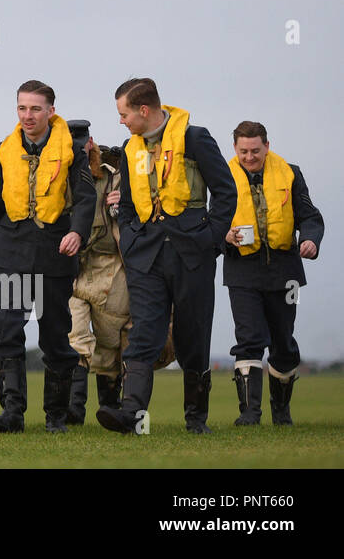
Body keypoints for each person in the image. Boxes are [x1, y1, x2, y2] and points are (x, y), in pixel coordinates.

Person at [98, 78, 237, 435]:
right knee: (144, 331)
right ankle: (131, 414)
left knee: (193, 334)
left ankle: (196, 419)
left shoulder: (196, 138)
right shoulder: (131, 149)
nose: (121, 121)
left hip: (193, 253)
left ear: (143, 110)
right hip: (145, 256)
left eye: (123, 113)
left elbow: (226, 192)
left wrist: (211, 239)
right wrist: (130, 238)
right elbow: (126, 203)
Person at [0, 80, 95, 433]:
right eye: (22, 108)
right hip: (11, 250)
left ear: (51, 111)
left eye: (35, 109)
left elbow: (87, 198)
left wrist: (77, 231)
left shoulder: (73, 149)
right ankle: (12, 413)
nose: (28, 116)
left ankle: (56, 416)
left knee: (56, 335)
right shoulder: (4, 148)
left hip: (54, 251)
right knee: (8, 329)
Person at [223, 121, 324, 426]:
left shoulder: (291, 173)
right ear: (235, 149)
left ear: (268, 145)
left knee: (283, 340)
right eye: (244, 151)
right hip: (241, 271)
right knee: (249, 338)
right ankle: (249, 415)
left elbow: (310, 215)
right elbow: (209, 220)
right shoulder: (222, 176)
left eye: (256, 150)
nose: (250, 157)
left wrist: (310, 240)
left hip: (287, 272)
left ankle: (281, 412)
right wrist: (223, 236)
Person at [64, 121, 131, 425]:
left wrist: (124, 204)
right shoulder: (55, 177)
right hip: (72, 266)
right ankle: (73, 411)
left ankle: (110, 408)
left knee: (109, 344)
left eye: (82, 145)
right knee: (74, 336)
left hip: (111, 265)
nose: (78, 151)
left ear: (91, 143)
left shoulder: (117, 176)